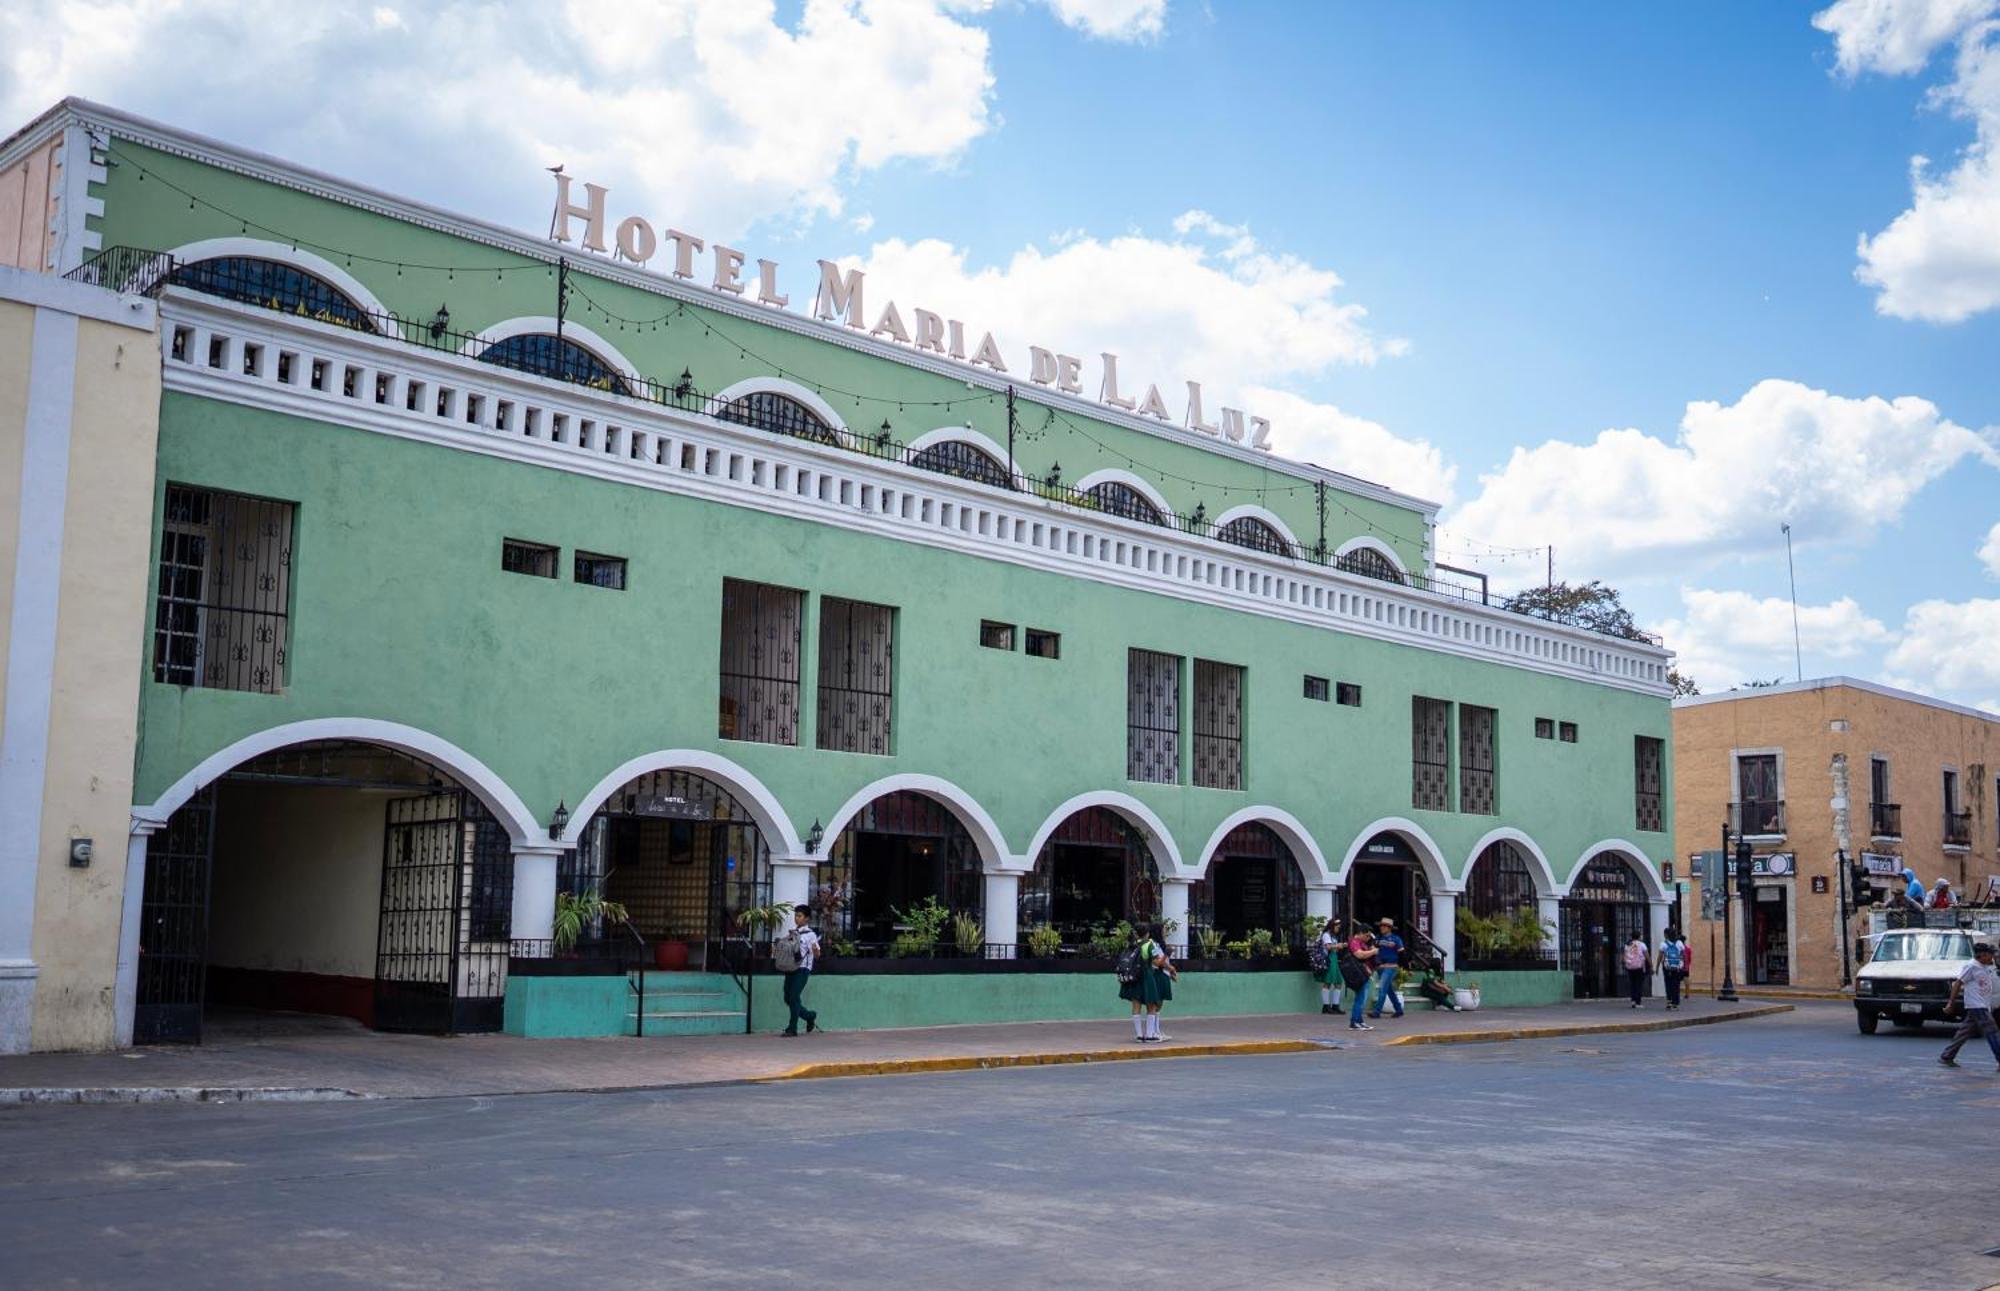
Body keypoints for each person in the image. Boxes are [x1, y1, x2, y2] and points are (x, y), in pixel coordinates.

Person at [1938, 942, 2000, 1070]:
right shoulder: (1971, 966)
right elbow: (1958, 983)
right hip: (1977, 1005)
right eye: (1990, 955)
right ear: (1982, 955)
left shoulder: (1984, 966)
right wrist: (1951, 1003)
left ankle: (1946, 1056)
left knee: (1964, 1033)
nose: (1992, 957)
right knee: (1992, 1031)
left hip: (1982, 1004)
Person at [1119, 922, 1180, 1043]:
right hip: (1146, 976)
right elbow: (1157, 963)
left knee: (1136, 1005)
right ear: (1147, 933)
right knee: (1151, 1005)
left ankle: (1140, 1035)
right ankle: (1150, 1035)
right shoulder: (1150, 944)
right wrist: (1166, 954)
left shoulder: (1132, 944)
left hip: (1133, 976)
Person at [779, 905, 821, 1037]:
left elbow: (817, 955)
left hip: (802, 969)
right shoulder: (792, 932)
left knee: (793, 997)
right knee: (788, 998)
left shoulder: (810, 935)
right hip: (791, 967)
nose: (796, 918)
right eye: (796, 915)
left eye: (800, 916)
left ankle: (792, 1028)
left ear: (807, 918)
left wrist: (814, 949)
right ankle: (810, 1016)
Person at [1369, 918, 1406, 1020]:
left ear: (1389, 928)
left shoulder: (1396, 939)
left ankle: (1377, 1012)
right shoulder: (1378, 938)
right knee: (1388, 989)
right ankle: (1398, 1009)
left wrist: (1401, 965)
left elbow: (1402, 953)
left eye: (1384, 926)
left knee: (1382, 989)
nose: (1382, 927)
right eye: (1381, 926)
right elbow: (1372, 949)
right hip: (1380, 967)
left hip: (1391, 967)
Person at [1345, 927, 1379, 1030]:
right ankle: (1354, 1022)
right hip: (1359, 974)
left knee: (1362, 998)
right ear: (1360, 933)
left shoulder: (1363, 943)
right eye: (1366, 935)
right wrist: (1373, 952)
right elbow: (1359, 955)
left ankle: (1359, 1021)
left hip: (1365, 973)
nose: (1368, 938)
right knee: (1360, 999)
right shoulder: (1354, 942)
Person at [1657, 926, 1691, 1011]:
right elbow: (1683, 955)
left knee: (1668, 984)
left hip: (1667, 968)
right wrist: (1685, 965)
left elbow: (1660, 956)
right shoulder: (1679, 943)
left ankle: (1669, 1001)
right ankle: (1675, 1003)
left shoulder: (1663, 944)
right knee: (1676, 985)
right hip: (1677, 968)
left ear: (1666, 935)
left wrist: (1657, 967)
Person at [1313, 920, 1343, 1014]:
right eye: (1337, 927)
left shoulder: (1333, 936)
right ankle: (1326, 1006)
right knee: (1327, 982)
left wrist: (1338, 947)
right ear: (1332, 926)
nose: (1338, 929)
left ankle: (1335, 1005)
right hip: (1329, 959)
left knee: (1338, 982)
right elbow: (1328, 947)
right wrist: (1339, 945)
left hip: (1334, 958)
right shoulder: (1326, 935)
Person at [1622, 932, 1650, 1008]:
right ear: (1639, 936)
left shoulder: (1627, 944)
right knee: (1639, 984)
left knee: (1632, 984)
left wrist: (1624, 963)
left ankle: (1633, 1001)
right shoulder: (1642, 944)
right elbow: (1647, 955)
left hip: (1630, 966)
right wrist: (1651, 965)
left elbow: (1624, 955)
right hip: (1639, 967)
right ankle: (1638, 1002)